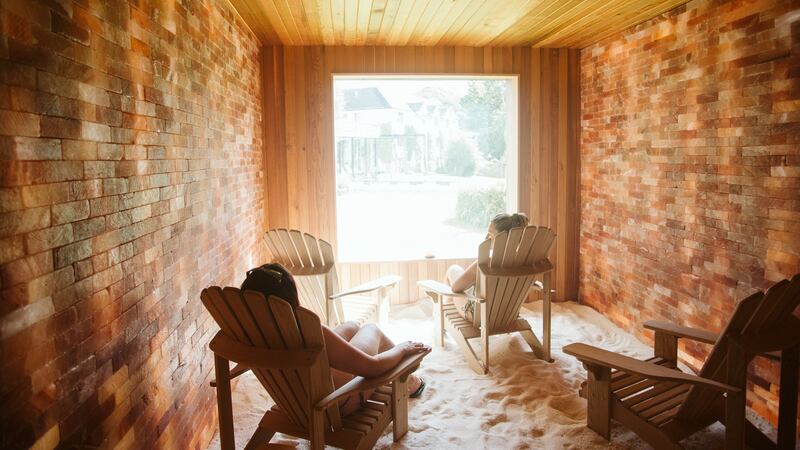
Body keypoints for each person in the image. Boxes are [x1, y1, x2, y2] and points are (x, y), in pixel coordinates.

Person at [241, 263, 428, 415]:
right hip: (335, 403)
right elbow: (374, 367)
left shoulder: (250, 332)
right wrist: (402, 349)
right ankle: (409, 380)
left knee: (352, 326)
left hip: (295, 399)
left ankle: (407, 376)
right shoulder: (309, 331)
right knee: (371, 329)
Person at [445, 212, 529, 321]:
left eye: (490, 234)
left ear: (503, 238)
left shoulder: (485, 263)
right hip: (508, 315)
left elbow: (455, 288)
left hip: (479, 316)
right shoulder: (523, 263)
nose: (486, 237)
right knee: (461, 275)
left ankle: (441, 317)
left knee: (452, 270)